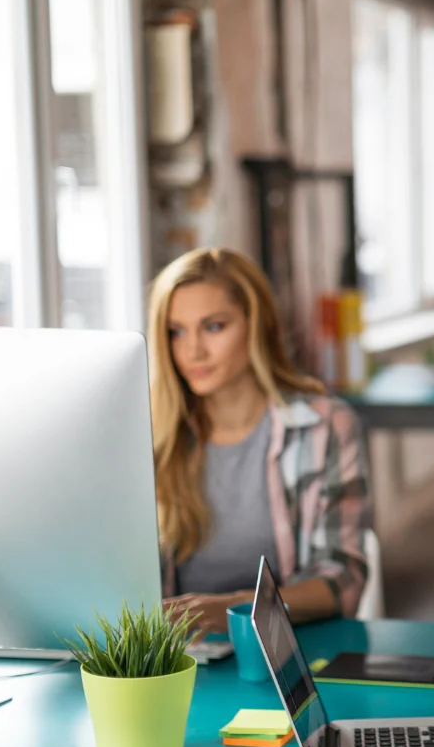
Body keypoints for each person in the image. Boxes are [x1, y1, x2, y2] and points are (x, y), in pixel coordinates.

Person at [149, 248, 370, 638]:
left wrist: (236, 610)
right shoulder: (153, 436)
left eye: (213, 327)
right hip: (178, 662)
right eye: (176, 331)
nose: (192, 350)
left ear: (257, 325)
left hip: (289, 653)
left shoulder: (324, 428)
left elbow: (343, 582)